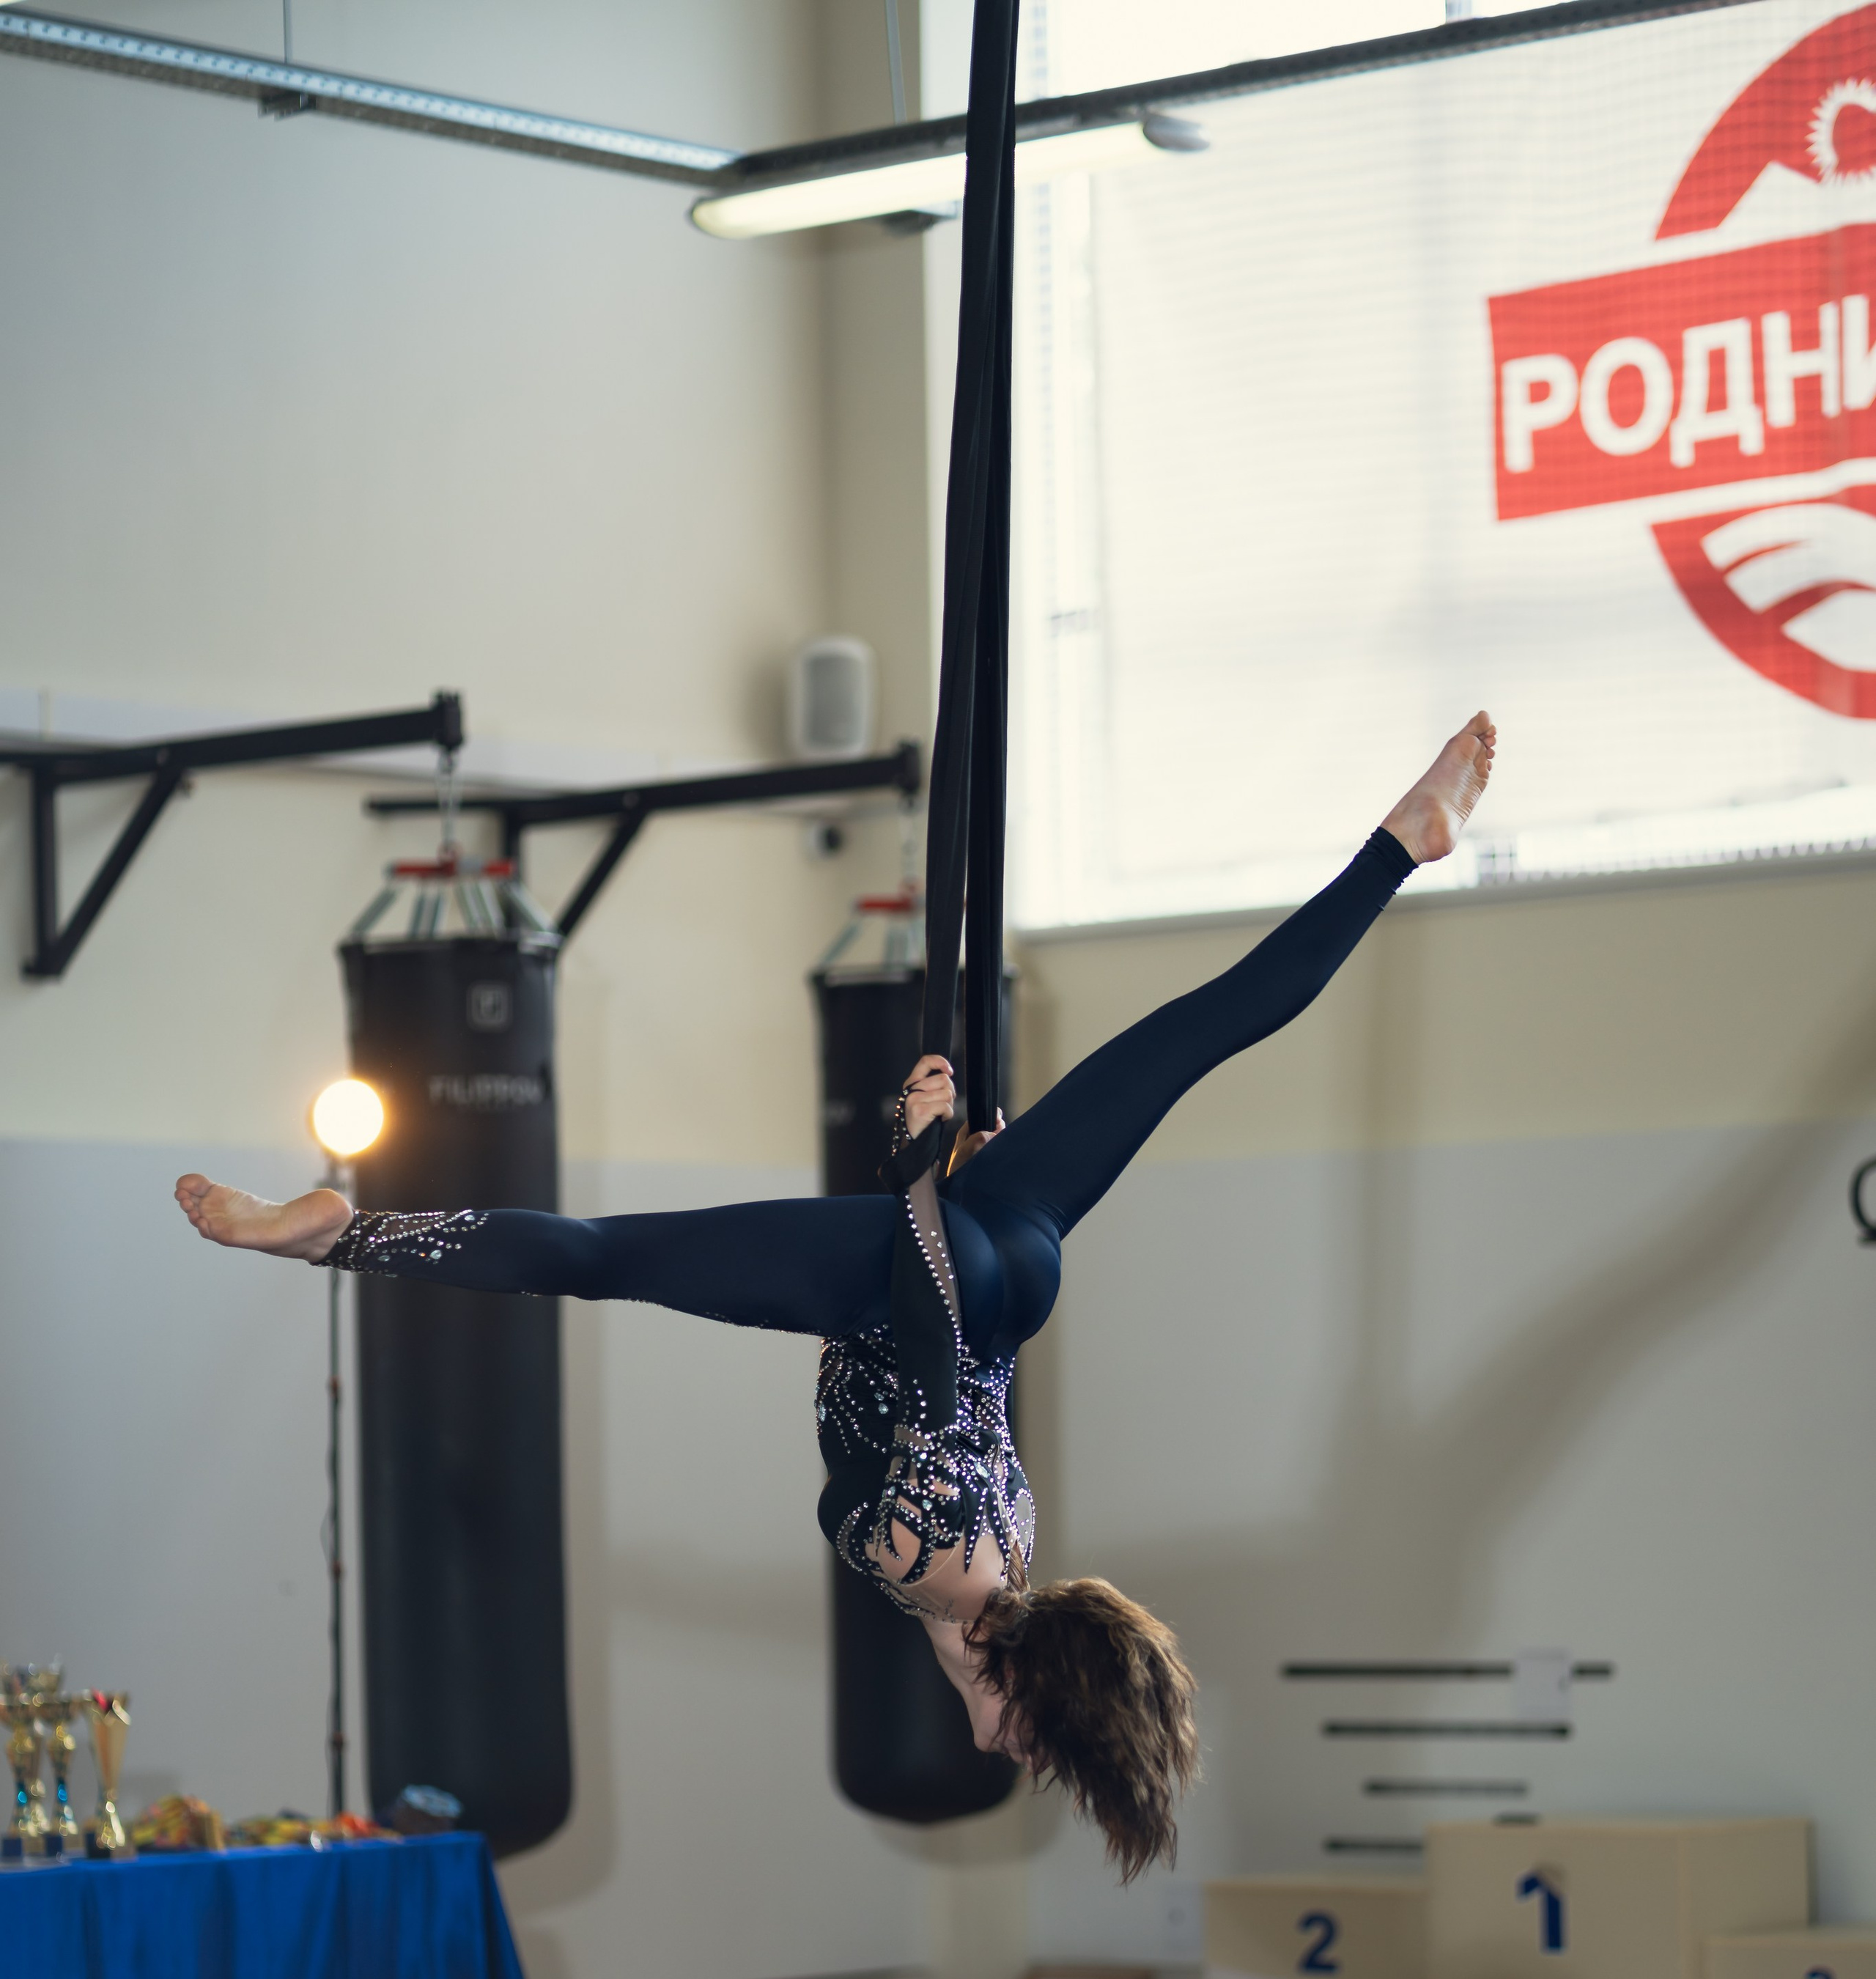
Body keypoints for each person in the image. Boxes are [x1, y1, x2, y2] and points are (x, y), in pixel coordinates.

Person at [177, 715, 1495, 1879]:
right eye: (1045, 1753)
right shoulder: (925, 1563)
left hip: (1015, 1265)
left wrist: (954, 1186)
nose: (1020, 1759)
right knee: (600, 1257)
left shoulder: (1016, 1562)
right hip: (908, 1278)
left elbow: (969, 1374)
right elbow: (919, 1330)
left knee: (1192, 1035)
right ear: (1027, 1705)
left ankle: (1402, 840)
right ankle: (335, 1237)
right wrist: (919, 1164)